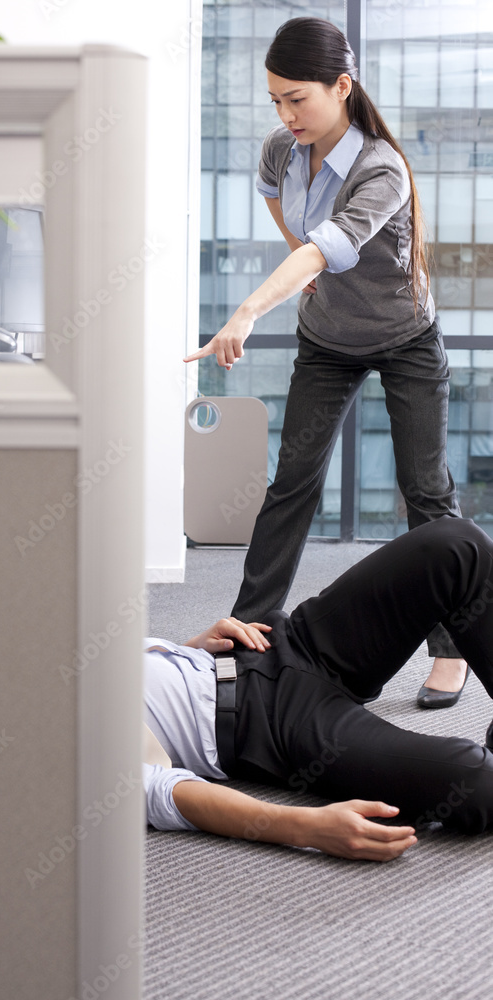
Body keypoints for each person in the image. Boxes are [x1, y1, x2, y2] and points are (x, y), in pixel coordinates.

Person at [184, 17, 467, 709]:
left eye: (297, 99)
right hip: (327, 342)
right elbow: (282, 210)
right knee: (291, 484)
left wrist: (249, 309)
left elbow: (319, 248)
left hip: (405, 341)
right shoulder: (283, 149)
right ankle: (246, 631)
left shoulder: (381, 168)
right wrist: (300, 260)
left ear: (341, 86)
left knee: (425, 490)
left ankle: (450, 650)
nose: (284, 115)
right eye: (275, 100)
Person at [144, 517, 493, 861]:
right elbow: (161, 792)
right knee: (480, 783)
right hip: (266, 726)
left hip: (274, 646)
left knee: (458, 545)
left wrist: (184, 647)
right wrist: (305, 827)